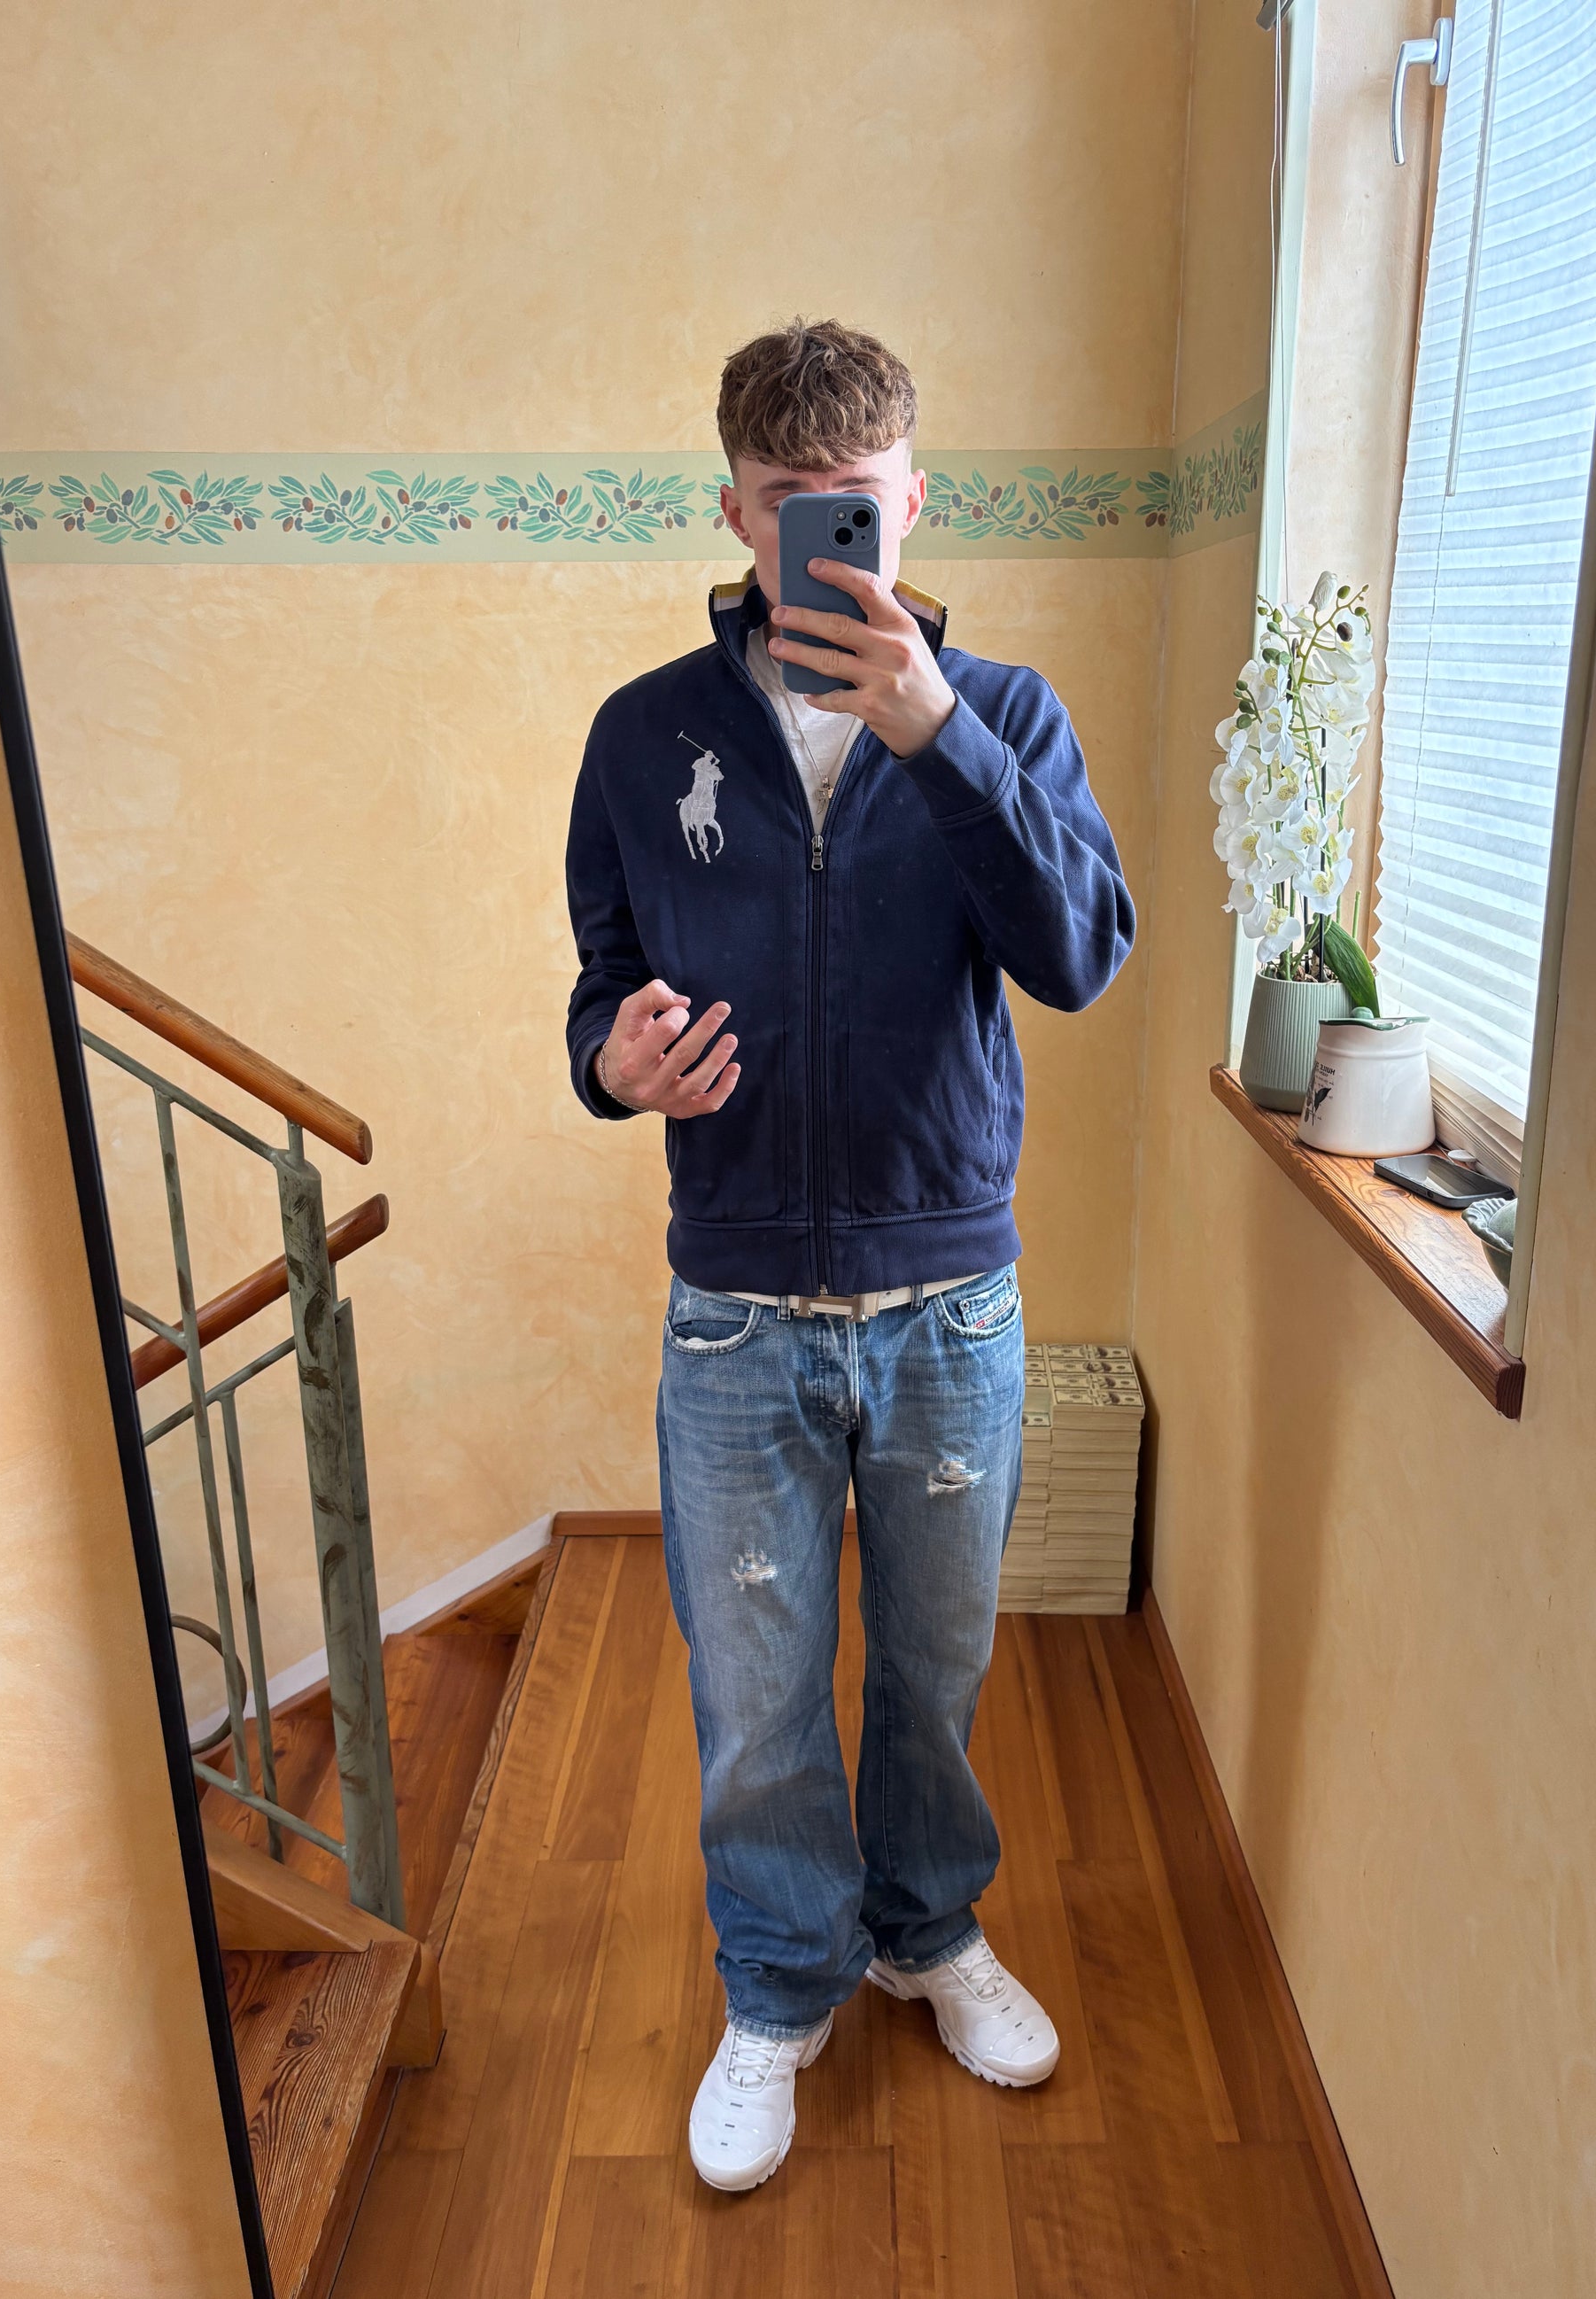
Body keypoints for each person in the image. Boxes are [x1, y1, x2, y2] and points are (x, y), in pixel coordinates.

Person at [565, 318, 1134, 2193]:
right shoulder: (644, 734)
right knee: (753, 1697)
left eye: (862, 507)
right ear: (738, 511)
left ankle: (925, 1930)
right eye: (792, 506)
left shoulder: (1008, 714)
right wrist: (612, 1061)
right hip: (734, 1310)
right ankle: (779, 1981)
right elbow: (599, 982)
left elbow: (1078, 954)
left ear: (913, 499)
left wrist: (936, 736)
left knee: (935, 1669)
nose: (829, 538)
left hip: (948, 1303)